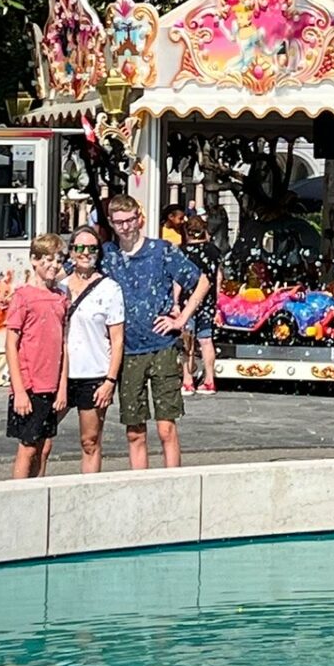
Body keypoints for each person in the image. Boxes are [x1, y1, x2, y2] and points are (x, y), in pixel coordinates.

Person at [99, 193, 209, 468]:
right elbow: (76, 273)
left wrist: (181, 318)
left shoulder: (162, 250)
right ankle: (141, 487)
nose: (125, 227)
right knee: (135, 431)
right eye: (118, 222)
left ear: (139, 219)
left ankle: (172, 484)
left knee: (165, 428)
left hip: (162, 346)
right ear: (112, 224)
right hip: (128, 350)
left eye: (130, 220)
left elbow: (202, 281)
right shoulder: (108, 255)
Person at [4, 234, 68, 479]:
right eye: (48, 259)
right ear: (34, 260)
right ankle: (19, 493)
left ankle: (37, 489)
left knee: (45, 445)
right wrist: (19, 390)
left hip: (51, 384)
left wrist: (62, 387)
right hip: (30, 383)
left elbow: (63, 344)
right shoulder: (23, 297)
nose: (54, 265)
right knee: (28, 445)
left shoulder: (61, 297)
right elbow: (11, 344)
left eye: (58, 260)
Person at [62, 228, 124, 472]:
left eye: (91, 248)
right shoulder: (60, 286)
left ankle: (89, 492)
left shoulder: (110, 289)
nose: (85, 253)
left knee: (90, 441)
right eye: (79, 248)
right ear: (71, 252)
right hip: (61, 374)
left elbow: (117, 339)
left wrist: (110, 380)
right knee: (41, 439)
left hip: (94, 374)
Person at [180, 214, 222, 394]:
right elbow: (219, 277)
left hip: (186, 300)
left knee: (187, 340)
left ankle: (187, 380)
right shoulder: (213, 250)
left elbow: (177, 280)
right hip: (208, 301)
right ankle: (209, 380)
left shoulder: (182, 252)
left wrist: (174, 303)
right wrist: (217, 300)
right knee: (206, 340)